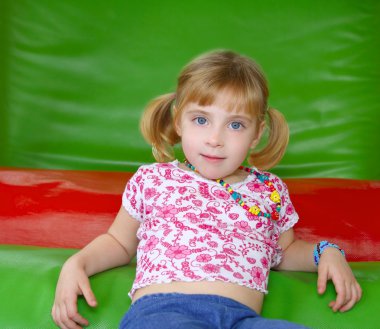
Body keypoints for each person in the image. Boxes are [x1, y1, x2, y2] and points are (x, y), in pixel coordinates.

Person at [52, 50, 362, 329]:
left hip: (242, 318)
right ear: (178, 122)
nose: (216, 138)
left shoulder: (269, 190)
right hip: (163, 313)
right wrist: (75, 264)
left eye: (236, 125)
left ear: (257, 134)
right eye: (201, 120)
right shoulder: (154, 179)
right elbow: (118, 243)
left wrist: (327, 252)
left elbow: (283, 252)